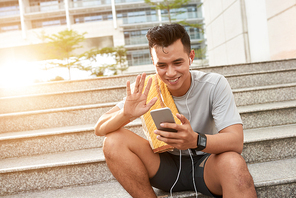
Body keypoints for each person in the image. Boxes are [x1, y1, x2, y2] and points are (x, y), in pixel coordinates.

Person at [95, 23, 257, 198]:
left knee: (234, 163)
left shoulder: (214, 84)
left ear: (191, 57)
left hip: (207, 163)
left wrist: (195, 140)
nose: (170, 73)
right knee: (113, 141)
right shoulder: (146, 88)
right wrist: (125, 114)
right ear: (153, 62)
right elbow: (99, 128)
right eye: (161, 65)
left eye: (177, 62)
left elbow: (235, 142)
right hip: (165, 167)